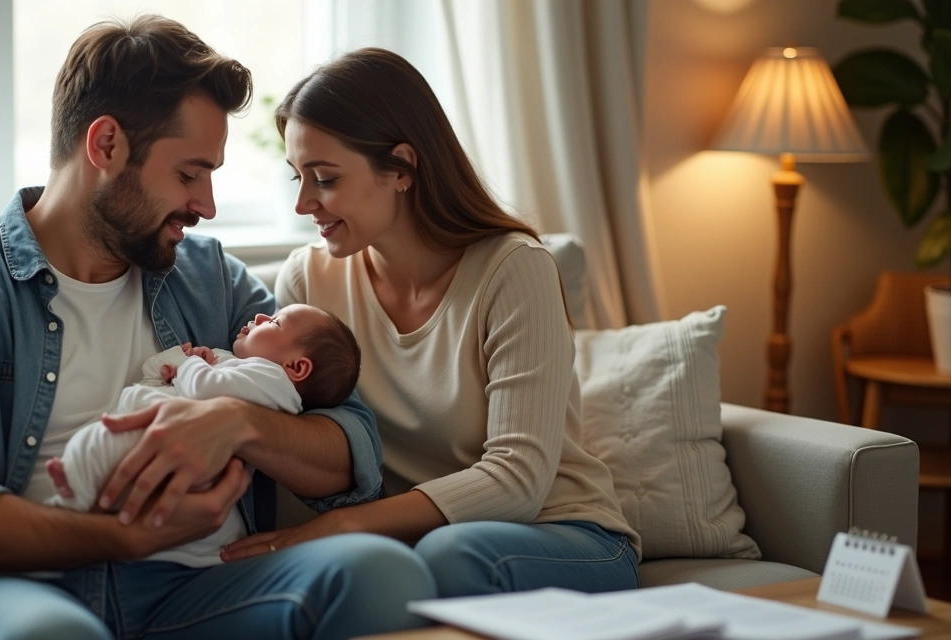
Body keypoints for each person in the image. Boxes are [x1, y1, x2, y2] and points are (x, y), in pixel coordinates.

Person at [0, 18, 433, 640]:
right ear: (105, 145)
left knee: (381, 573)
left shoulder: (212, 279)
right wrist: (120, 537)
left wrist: (238, 422)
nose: (207, 204)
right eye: (189, 174)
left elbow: (352, 445)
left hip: (200, 584)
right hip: (24, 590)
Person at [220, 47, 642, 597]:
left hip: (562, 535)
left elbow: (518, 480)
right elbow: (313, 446)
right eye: (297, 176)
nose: (304, 204)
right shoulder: (306, 283)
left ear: (400, 167)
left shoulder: (514, 269)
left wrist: (342, 528)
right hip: (409, 545)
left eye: (323, 178)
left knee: (445, 554)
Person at [45, 304, 361, 534]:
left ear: (296, 368)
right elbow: (161, 374)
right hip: (151, 432)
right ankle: (76, 489)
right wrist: (172, 366)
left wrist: (190, 365)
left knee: (98, 446)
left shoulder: (271, 381)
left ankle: (69, 505)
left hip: (162, 441)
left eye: (275, 322)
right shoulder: (242, 367)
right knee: (95, 446)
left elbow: (205, 388)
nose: (261, 316)